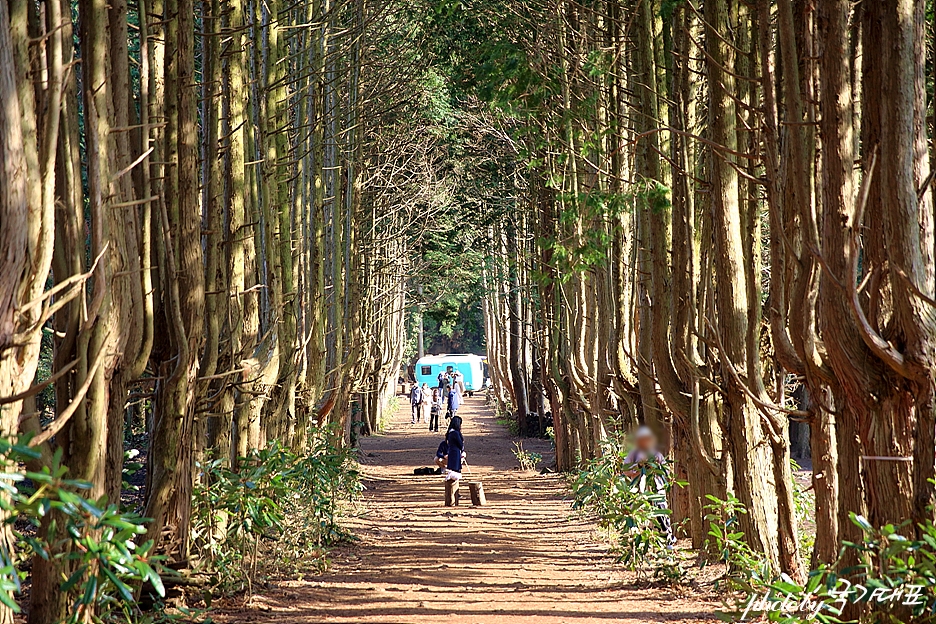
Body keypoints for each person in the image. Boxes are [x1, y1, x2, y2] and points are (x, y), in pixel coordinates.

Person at [624, 426, 675, 547]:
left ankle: (667, 541)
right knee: (639, 515)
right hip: (639, 490)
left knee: (661, 514)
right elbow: (625, 469)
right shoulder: (634, 454)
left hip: (657, 489)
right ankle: (640, 544)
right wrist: (638, 470)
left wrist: (655, 468)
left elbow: (666, 471)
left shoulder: (656, 454)